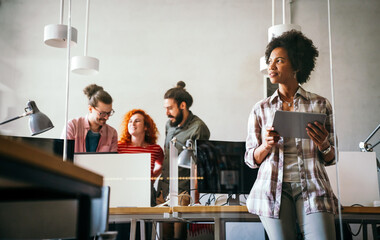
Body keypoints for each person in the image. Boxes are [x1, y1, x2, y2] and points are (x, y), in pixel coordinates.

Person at [245, 30, 338, 240]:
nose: (271, 66)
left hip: (314, 187)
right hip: (271, 189)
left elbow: (332, 158)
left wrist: (323, 143)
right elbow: (250, 159)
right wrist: (266, 146)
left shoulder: (320, 105)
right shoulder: (260, 109)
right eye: (270, 61)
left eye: (279, 61)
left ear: (296, 65)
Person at [158, 81, 210, 240]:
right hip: (164, 190)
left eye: (170, 108)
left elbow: (199, 165)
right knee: (164, 236)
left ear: (182, 105)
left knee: (179, 236)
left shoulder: (199, 128)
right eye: (165, 108)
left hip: (184, 192)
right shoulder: (169, 124)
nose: (167, 112)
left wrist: (194, 198)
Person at [117, 109, 164, 198]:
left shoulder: (155, 149)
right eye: (130, 121)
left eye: (137, 121)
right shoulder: (118, 147)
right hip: (123, 189)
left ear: (146, 127)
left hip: (146, 191)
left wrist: (152, 177)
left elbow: (162, 165)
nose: (132, 124)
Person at [62, 84, 118, 153]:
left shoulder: (112, 133)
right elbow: (62, 156)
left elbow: (112, 160)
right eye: (102, 113)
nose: (106, 117)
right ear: (90, 109)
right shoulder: (72, 126)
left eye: (109, 113)